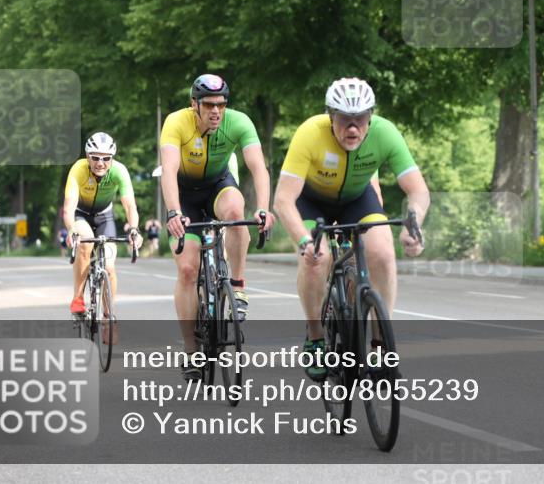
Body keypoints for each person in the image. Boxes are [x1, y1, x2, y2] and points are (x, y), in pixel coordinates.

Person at [273, 77, 429, 380]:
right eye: (345, 120)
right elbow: (282, 201)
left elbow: (418, 191)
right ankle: (316, 337)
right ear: (331, 116)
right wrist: (304, 241)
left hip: (357, 199)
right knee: (316, 259)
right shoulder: (309, 133)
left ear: (371, 117)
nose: (353, 128)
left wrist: (414, 223)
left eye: (361, 119)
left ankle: (381, 347)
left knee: (383, 253)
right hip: (312, 202)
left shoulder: (385, 133)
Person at [160, 74, 274, 381]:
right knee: (186, 269)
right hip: (184, 195)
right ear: (193, 104)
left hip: (218, 186)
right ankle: (190, 350)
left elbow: (258, 168)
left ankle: (236, 287)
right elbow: (168, 170)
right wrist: (173, 212)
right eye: (209, 104)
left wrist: (263, 208)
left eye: (221, 105)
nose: (216, 111)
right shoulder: (176, 122)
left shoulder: (239, 122)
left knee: (237, 213)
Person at [62, 133, 142, 314]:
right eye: (95, 157)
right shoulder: (78, 170)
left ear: (112, 159)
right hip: (80, 215)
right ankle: (78, 298)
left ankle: (108, 316)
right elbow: (68, 208)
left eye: (106, 158)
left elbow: (130, 206)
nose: (100, 163)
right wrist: (71, 230)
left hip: (105, 216)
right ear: (87, 156)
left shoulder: (119, 171)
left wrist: (134, 229)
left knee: (109, 267)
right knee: (86, 241)